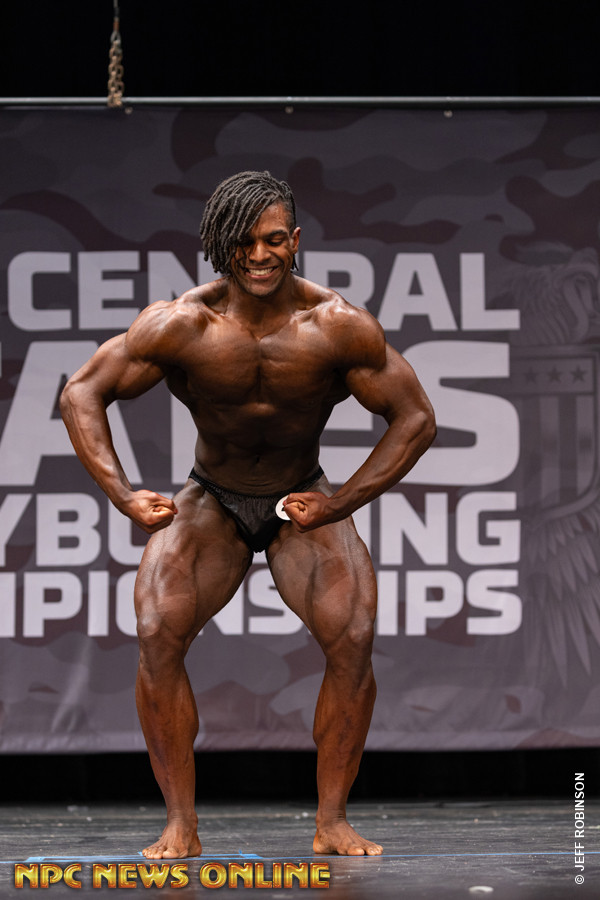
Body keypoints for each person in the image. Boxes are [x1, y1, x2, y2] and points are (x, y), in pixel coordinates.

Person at [60, 170, 436, 859]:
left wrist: (339, 503)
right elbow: (82, 392)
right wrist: (123, 493)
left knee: (354, 637)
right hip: (213, 496)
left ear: (295, 240)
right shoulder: (182, 324)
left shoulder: (337, 327)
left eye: (273, 240)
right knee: (156, 631)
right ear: (219, 245)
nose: (258, 256)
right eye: (242, 243)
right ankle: (180, 823)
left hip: (302, 495)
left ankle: (332, 821)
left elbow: (416, 419)